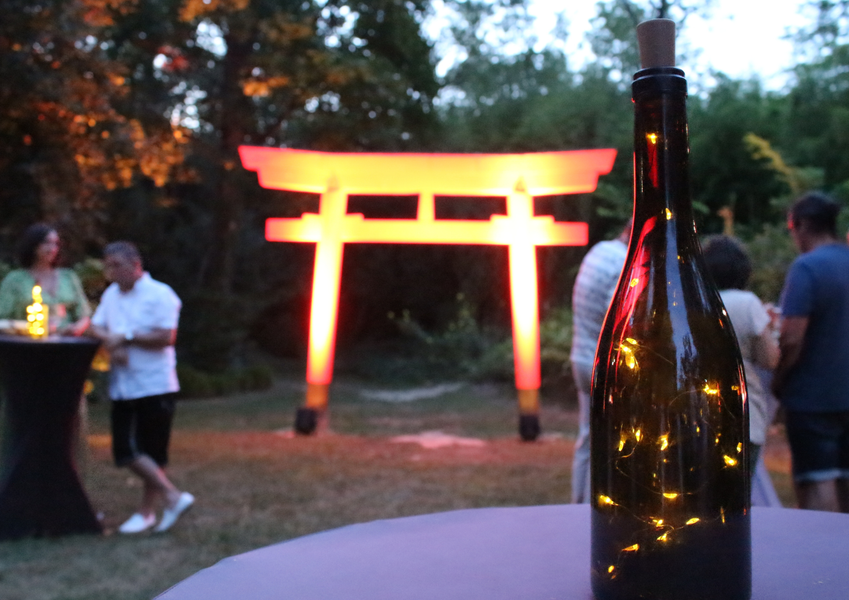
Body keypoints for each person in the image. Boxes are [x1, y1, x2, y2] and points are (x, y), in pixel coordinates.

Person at [90, 241, 194, 533]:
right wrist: (112, 342)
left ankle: (149, 510)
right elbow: (95, 325)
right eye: (108, 266)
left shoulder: (160, 294)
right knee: (125, 450)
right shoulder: (111, 295)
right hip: (123, 385)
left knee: (150, 451)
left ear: (136, 265)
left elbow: (165, 337)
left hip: (154, 384)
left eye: (117, 266)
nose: (111, 272)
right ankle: (170, 499)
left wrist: (126, 337)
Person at [772, 192, 849, 512]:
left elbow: (792, 337)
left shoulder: (807, 267)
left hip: (813, 396)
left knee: (818, 480)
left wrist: (779, 378)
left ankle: (821, 542)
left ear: (801, 225)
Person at [703, 235, 780, 497]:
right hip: (743, 413)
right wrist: (770, 329)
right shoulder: (747, 303)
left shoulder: (696, 301)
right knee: (736, 494)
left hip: (699, 413)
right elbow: (770, 359)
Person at [569, 220, 630, 503]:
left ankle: (578, 503)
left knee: (587, 438)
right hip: (603, 365)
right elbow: (617, 320)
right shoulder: (622, 264)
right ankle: (599, 505)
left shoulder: (600, 251)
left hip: (580, 356)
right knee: (611, 441)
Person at [0, 223, 90, 335]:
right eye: (47, 243)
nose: (52, 249)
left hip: (66, 340)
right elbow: (3, 319)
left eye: (55, 244)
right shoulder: (15, 280)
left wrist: (77, 328)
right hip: (26, 340)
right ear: (33, 245)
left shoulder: (69, 277)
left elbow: (84, 314)